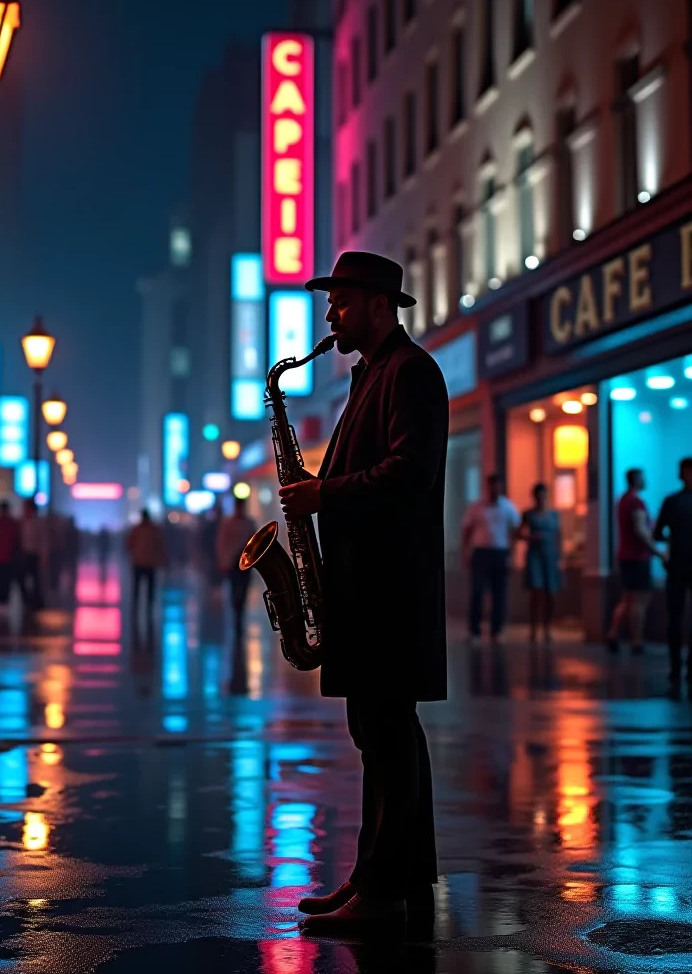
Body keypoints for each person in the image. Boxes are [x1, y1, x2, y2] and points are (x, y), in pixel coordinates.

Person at [279, 251, 448, 935]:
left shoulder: (411, 373)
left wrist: (323, 493)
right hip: (369, 590)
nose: (330, 314)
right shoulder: (373, 375)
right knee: (380, 737)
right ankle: (384, 877)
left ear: (382, 304)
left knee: (386, 736)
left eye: (341, 301)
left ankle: (381, 889)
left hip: (388, 593)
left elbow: (408, 471)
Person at [606, 468, 664, 655]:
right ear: (636, 480)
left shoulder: (623, 500)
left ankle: (613, 634)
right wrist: (658, 552)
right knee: (639, 599)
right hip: (637, 557)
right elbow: (640, 531)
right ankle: (636, 641)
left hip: (626, 556)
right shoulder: (635, 502)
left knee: (628, 598)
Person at [462, 474, 521, 641]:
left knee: (499, 593)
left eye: (497, 486)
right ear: (488, 487)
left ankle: (496, 630)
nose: (495, 489)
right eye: (492, 486)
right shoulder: (476, 507)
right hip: (481, 553)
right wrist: (465, 552)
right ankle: (475, 630)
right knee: (477, 591)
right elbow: (467, 529)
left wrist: (513, 552)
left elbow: (516, 529)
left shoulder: (507, 507)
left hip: (500, 552)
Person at [655, 458, 692, 689]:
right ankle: (678, 666)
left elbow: (658, 533)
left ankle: (677, 667)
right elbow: (658, 533)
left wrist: (674, 541)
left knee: (675, 617)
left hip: (678, 563)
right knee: (675, 618)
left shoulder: (673, 501)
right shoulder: (672, 501)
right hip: (678, 564)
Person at [519, 483, 561, 642]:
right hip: (535, 555)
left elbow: (559, 535)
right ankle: (534, 627)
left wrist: (560, 557)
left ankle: (547, 627)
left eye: (543, 495)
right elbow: (518, 533)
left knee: (551, 593)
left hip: (550, 556)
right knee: (536, 592)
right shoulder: (528, 514)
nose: (541, 499)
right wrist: (529, 537)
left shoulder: (554, 515)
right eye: (539, 496)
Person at [215, 496, 257, 633]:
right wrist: (223, 560)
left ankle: (239, 616)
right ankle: (237, 617)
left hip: (245, 562)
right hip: (232, 562)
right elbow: (222, 543)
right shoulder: (229, 523)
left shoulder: (248, 523)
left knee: (242, 591)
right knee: (235, 591)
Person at [126, 510, 167, 624]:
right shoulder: (154, 530)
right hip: (150, 563)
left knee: (137, 587)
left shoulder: (136, 529)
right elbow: (160, 546)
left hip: (138, 562)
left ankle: (135, 607)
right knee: (150, 588)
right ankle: (149, 608)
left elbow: (129, 544)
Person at [19, 498, 45, 610]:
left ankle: (37, 602)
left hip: (35, 554)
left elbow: (44, 540)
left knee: (36, 579)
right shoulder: (21, 522)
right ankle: (26, 600)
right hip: (24, 554)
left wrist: (43, 555)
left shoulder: (38, 523)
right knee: (21, 578)